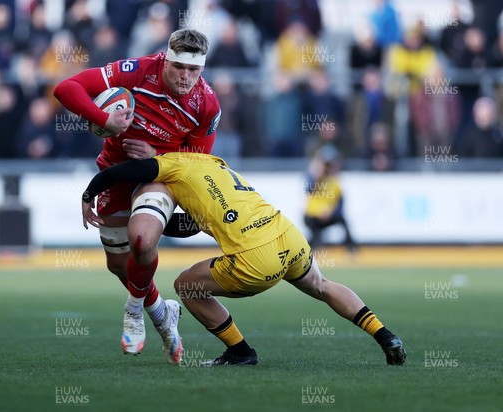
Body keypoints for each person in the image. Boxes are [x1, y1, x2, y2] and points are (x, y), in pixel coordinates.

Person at [80, 152, 407, 366]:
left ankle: (240, 352)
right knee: (321, 285)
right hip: (287, 236)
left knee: (186, 285)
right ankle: (384, 335)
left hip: (256, 258)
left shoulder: (172, 165)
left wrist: (89, 194)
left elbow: (128, 169)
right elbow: (192, 224)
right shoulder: (217, 165)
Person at [53, 29, 221, 363]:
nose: (186, 77)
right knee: (119, 264)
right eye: (179, 68)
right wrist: (104, 119)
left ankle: (133, 311)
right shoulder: (136, 71)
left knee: (141, 241)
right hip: (115, 172)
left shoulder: (207, 105)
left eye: (194, 70)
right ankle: (162, 315)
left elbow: (196, 164)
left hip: (159, 176)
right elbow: (65, 88)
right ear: (166, 58)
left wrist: (156, 157)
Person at [303, 145, 357, 252]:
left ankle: (351, 249)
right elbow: (308, 190)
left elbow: (340, 203)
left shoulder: (334, 181)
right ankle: (312, 248)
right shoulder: (313, 178)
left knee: (343, 221)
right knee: (314, 231)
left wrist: (331, 213)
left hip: (328, 215)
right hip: (313, 216)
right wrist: (316, 174)